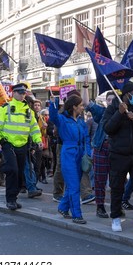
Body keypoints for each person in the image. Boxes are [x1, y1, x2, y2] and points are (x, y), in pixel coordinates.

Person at [102, 81, 133, 232]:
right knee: (117, 187)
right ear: (125, 95)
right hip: (118, 154)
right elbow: (108, 128)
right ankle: (116, 217)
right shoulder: (112, 108)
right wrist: (119, 113)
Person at [0, 83, 42, 210]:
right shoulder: (5, 108)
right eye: (19, 92)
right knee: (12, 171)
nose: (22, 94)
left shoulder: (28, 111)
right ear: (13, 93)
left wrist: (38, 140)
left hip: (23, 146)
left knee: (20, 173)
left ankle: (14, 197)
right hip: (8, 144)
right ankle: (10, 199)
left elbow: (34, 128)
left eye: (24, 92)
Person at [48, 94, 90, 224]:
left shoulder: (81, 122)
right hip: (68, 154)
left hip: (80, 154)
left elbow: (86, 139)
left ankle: (63, 207)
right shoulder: (62, 119)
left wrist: (87, 154)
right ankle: (77, 214)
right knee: (73, 185)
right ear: (74, 107)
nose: (83, 107)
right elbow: (53, 116)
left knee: (74, 184)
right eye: (81, 105)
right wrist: (53, 103)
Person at [83, 89, 116, 218]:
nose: (110, 102)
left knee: (117, 181)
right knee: (100, 180)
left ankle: (117, 206)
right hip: (101, 148)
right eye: (108, 100)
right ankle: (100, 206)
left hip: (117, 150)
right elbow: (87, 103)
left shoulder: (123, 113)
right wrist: (85, 87)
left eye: (113, 100)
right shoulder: (102, 112)